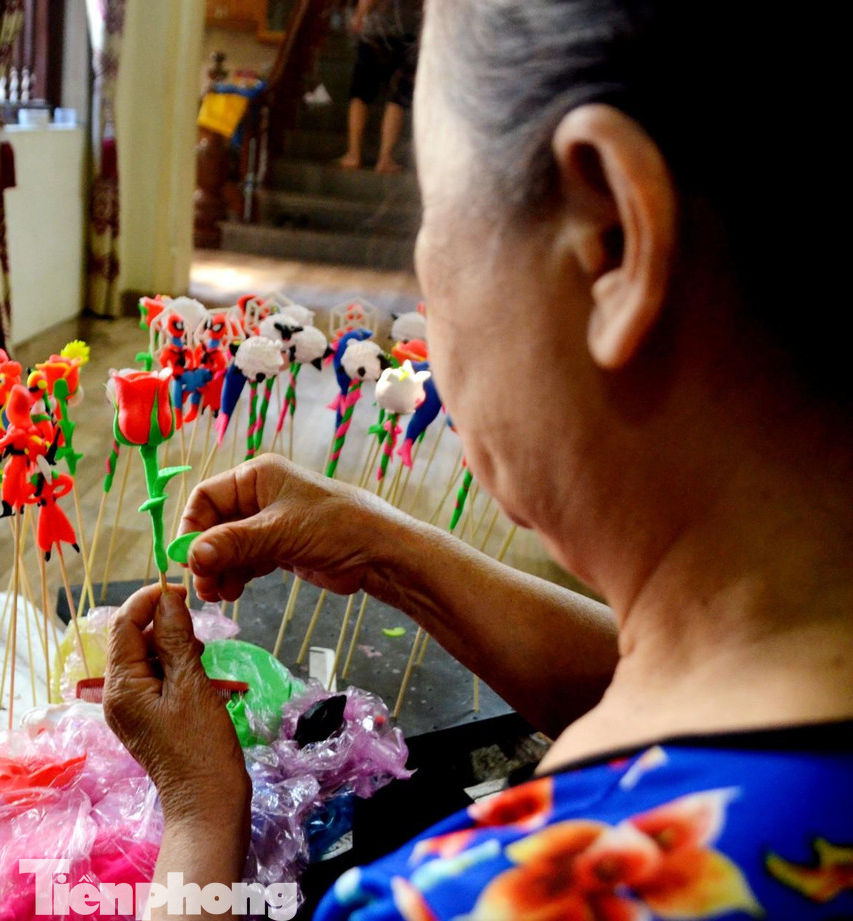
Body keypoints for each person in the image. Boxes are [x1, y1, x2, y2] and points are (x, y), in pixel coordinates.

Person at [103, 1, 852, 918]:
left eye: (431, 208)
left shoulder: (477, 897)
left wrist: (197, 817)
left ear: (609, 236)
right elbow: (679, 685)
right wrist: (386, 548)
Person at [337, 0, 421, 174]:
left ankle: (354, 154)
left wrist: (359, 16)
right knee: (397, 98)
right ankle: (385, 158)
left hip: (373, 34)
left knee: (361, 94)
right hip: (405, 34)